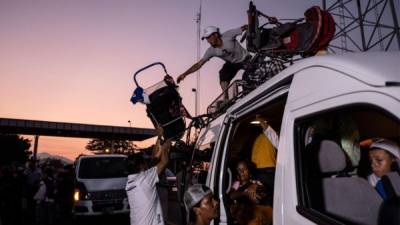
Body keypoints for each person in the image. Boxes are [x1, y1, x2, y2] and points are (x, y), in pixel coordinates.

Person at [177, 25, 250, 92]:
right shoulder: (211, 50)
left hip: (245, 59)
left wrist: (251, 28)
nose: (208, 41)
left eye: (209, 37)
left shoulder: (228, 35)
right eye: (206, 39)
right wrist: (185, 74)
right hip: (232, 63)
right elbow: (199, 64)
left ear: (216, 34)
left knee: (247, 75)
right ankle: (226, 97)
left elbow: (245, 27)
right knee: (223, 74)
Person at [125, 127, 172, 225]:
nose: (147, 163)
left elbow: (154, 158)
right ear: (141, 166)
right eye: (144, 162)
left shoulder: (133, 180)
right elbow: (164, 161)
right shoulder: (144, 180)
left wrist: (159, 137)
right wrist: (165, 148)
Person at [229, 160, 272, 225]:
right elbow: (231, 196)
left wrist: (255, 186)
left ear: (249, 171)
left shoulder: (254, 182)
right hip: (243, 215)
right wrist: (245, 192)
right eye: (239, 170)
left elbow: (263, 189)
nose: (242, 172)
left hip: (255, 214)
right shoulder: (236, 184)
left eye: (244, 169)